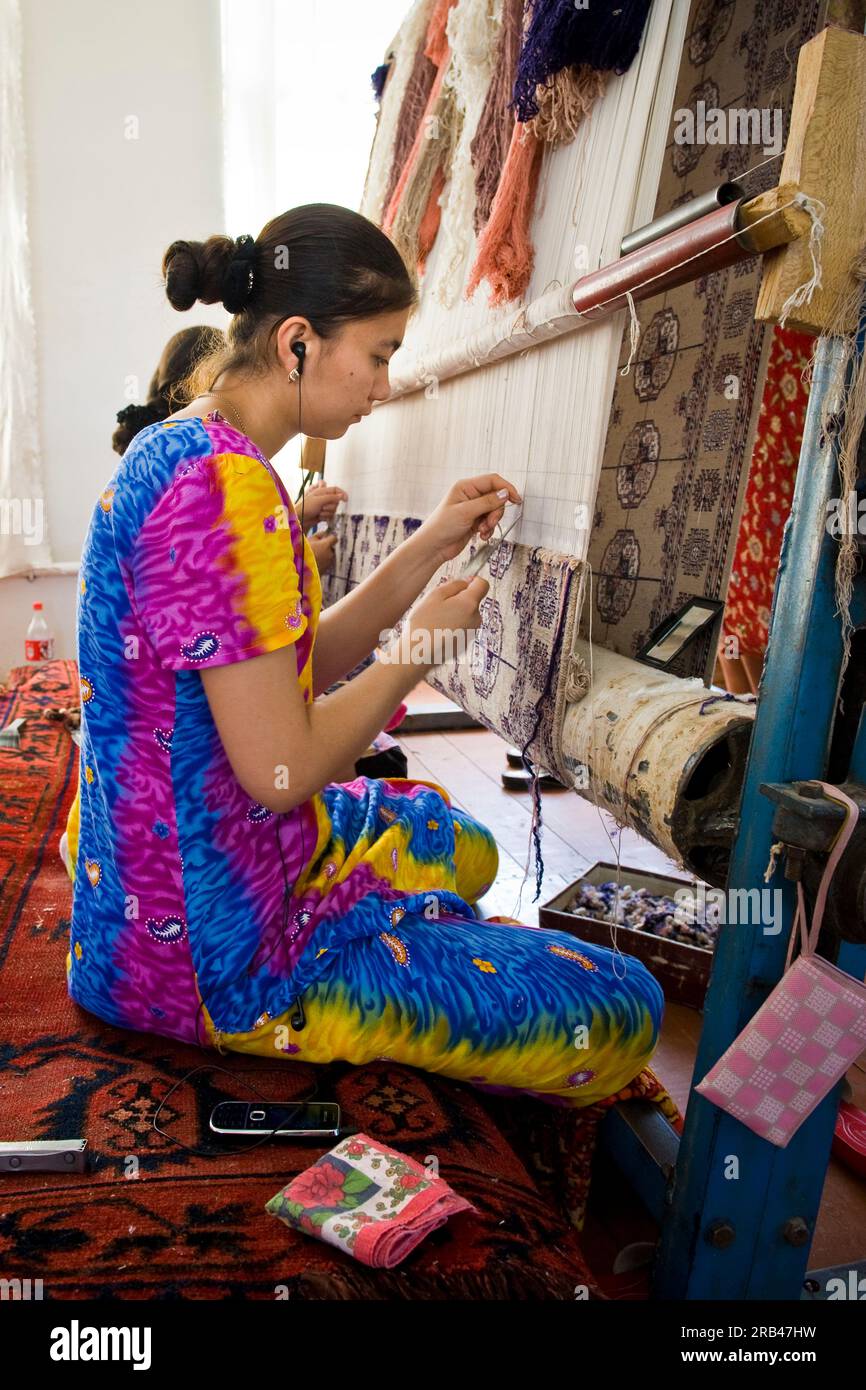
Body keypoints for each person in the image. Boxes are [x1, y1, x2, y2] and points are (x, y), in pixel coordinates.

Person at [64, 203, 663, 1108]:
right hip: (213, 952)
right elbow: (280, 766)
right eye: (379, 355)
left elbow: (291, 665)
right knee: (624, 1010)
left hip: (166, 883)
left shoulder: (193, 451)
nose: (385, 386)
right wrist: (420, 651)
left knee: (459, 848)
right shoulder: (222, 491)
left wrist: (428, 547)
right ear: (299, 343)